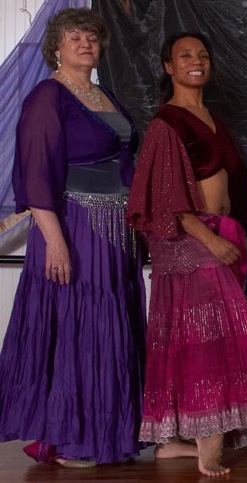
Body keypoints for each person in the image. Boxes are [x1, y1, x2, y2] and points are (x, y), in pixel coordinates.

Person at [0, 8, 146, 468]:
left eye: (91, 36)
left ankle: (110, 432)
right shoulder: (49, 96)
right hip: (74, 226)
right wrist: (56, 241)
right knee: (79, 326)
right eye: (73, 36)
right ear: (56, 48)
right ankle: (68, 438)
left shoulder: (103, 94)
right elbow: (36, 172)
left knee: (112, 324)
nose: (84, 42)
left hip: (114, 230)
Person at [126, 32, 247, 477]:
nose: (196, 61)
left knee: (210, 335)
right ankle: (209, 446)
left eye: (203, 55)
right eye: (185, 55)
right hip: (191, 238)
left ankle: (173, 441)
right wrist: (209, 239)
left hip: (220, 234)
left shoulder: (211, 117)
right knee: (209, 337)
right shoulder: (165, 122)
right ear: (169, 67)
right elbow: (164, 196)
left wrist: (234, 234)